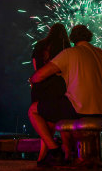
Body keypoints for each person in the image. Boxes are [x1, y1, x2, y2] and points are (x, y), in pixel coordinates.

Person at [28, 24, 102, 166]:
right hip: (101, 112)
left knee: (33, 110)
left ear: (72, 38)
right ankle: (69, 153)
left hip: (78, 109)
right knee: (59, 108)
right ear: (89, 36)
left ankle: (54, 151)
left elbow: (38, 76)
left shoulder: (70, 53)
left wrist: (32, 79)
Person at [30, 23, 71, 163]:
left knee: (45, 124)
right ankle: (64, 154)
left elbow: (36, 67)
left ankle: (43, 157)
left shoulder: (40, 45)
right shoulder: (66, 47)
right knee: (59, 120)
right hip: (57, 86)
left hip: (39, 87)